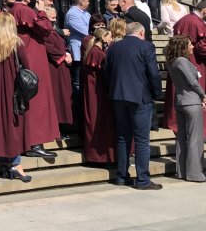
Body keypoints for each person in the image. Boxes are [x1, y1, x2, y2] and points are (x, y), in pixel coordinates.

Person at [104, 21, 162, 189]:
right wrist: (156, 93)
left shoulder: (114, 48)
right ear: (142, 33)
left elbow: (107, 72)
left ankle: (122, 176)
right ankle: (143, 179)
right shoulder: (146, 47)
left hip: (118, 96)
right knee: (142, 140)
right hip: (139, 97)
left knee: (123, 138)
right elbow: (153, 73)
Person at [11, 0, 60, 158]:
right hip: (32, 58)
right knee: (37, 101)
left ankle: (32, 142)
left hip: (29, 56)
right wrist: (41, 12)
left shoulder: (15, 10)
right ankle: (35, 142)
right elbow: (46, 28)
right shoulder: (24, 10)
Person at [0, 13, 33, 182]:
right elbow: (27, 66)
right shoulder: (16, 44)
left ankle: (6, 163)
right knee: (13, 126)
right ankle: (16, 164)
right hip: (12, 91)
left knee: (0, 125)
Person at [165, 35, 206, 182]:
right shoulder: (182, 61)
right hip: (191, 102)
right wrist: (203, 95)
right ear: (182, 47)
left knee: (182, 138)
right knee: (195, 138)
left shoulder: (172, 61)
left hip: (180, 101)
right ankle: (195, 173)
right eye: (189, 44)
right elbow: (192, 82)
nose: (192, 47)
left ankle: (182, 171)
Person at [165, 0, 206, 133]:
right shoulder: (196, 23)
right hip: (193, 63)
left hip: (178, 61)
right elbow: (202, 48)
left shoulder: (183, 20)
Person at [81, 27, 115, 165]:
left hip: (96, 93)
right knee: (98, 123)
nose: (111, 39)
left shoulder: (94, 51)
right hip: (98, 94)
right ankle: (99, 156)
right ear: (103, 37)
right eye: (110, 36)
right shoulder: (97, 53)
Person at [43, 6, 74, 135]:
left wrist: (67, 53)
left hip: (61, 67)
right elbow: (48, 47)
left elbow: (62, 44)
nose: (54, 20)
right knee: (57, 96)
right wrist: (62, 57)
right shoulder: (46, 32)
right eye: (52, 17)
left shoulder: (53, 30)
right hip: (54, 68)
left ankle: (62, 127)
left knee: (63, 96)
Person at [65, 0, 91, 97]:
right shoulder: (72, 14)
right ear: (81, 2)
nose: (89, 2)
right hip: (78, 51)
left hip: (85, 50)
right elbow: (86, 31)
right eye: (87, 0)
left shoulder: (84, 12)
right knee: (78, 80)